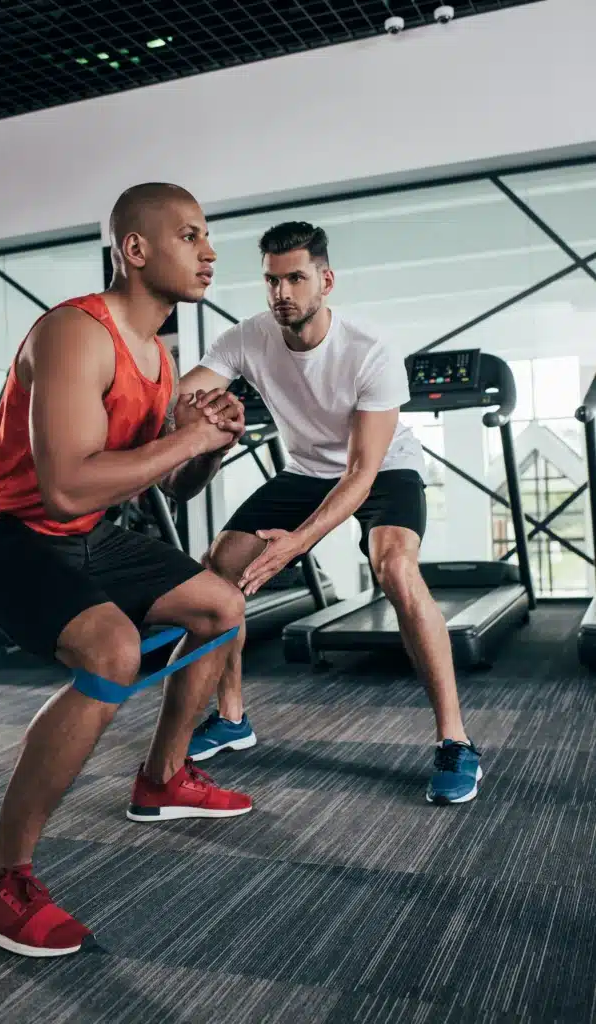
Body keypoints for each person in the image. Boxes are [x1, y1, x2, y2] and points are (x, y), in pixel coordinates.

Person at [0, 182, 253, 959]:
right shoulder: (76, 332)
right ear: (134, 250)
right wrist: (182, 441)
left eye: (207, 236)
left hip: (77, 531)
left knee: (219, 608)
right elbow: (70, 483)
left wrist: (207, 449)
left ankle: (164, 778)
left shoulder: (159, 354)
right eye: (189, 235)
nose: (208, 251)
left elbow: (163, 481)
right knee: (110, 651)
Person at [180, 221, 482, 805]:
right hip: (305, 470)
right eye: (272, 280)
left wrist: (295, 544)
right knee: (221, 565)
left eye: (295, 278)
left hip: (381, 467)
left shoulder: (370, 352)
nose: (282, 293)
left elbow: (361, 476)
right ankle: (233, 716)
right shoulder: (246, 338)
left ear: (325, 279)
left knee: (394, 568)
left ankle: (455, 740)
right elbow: (182, 394)